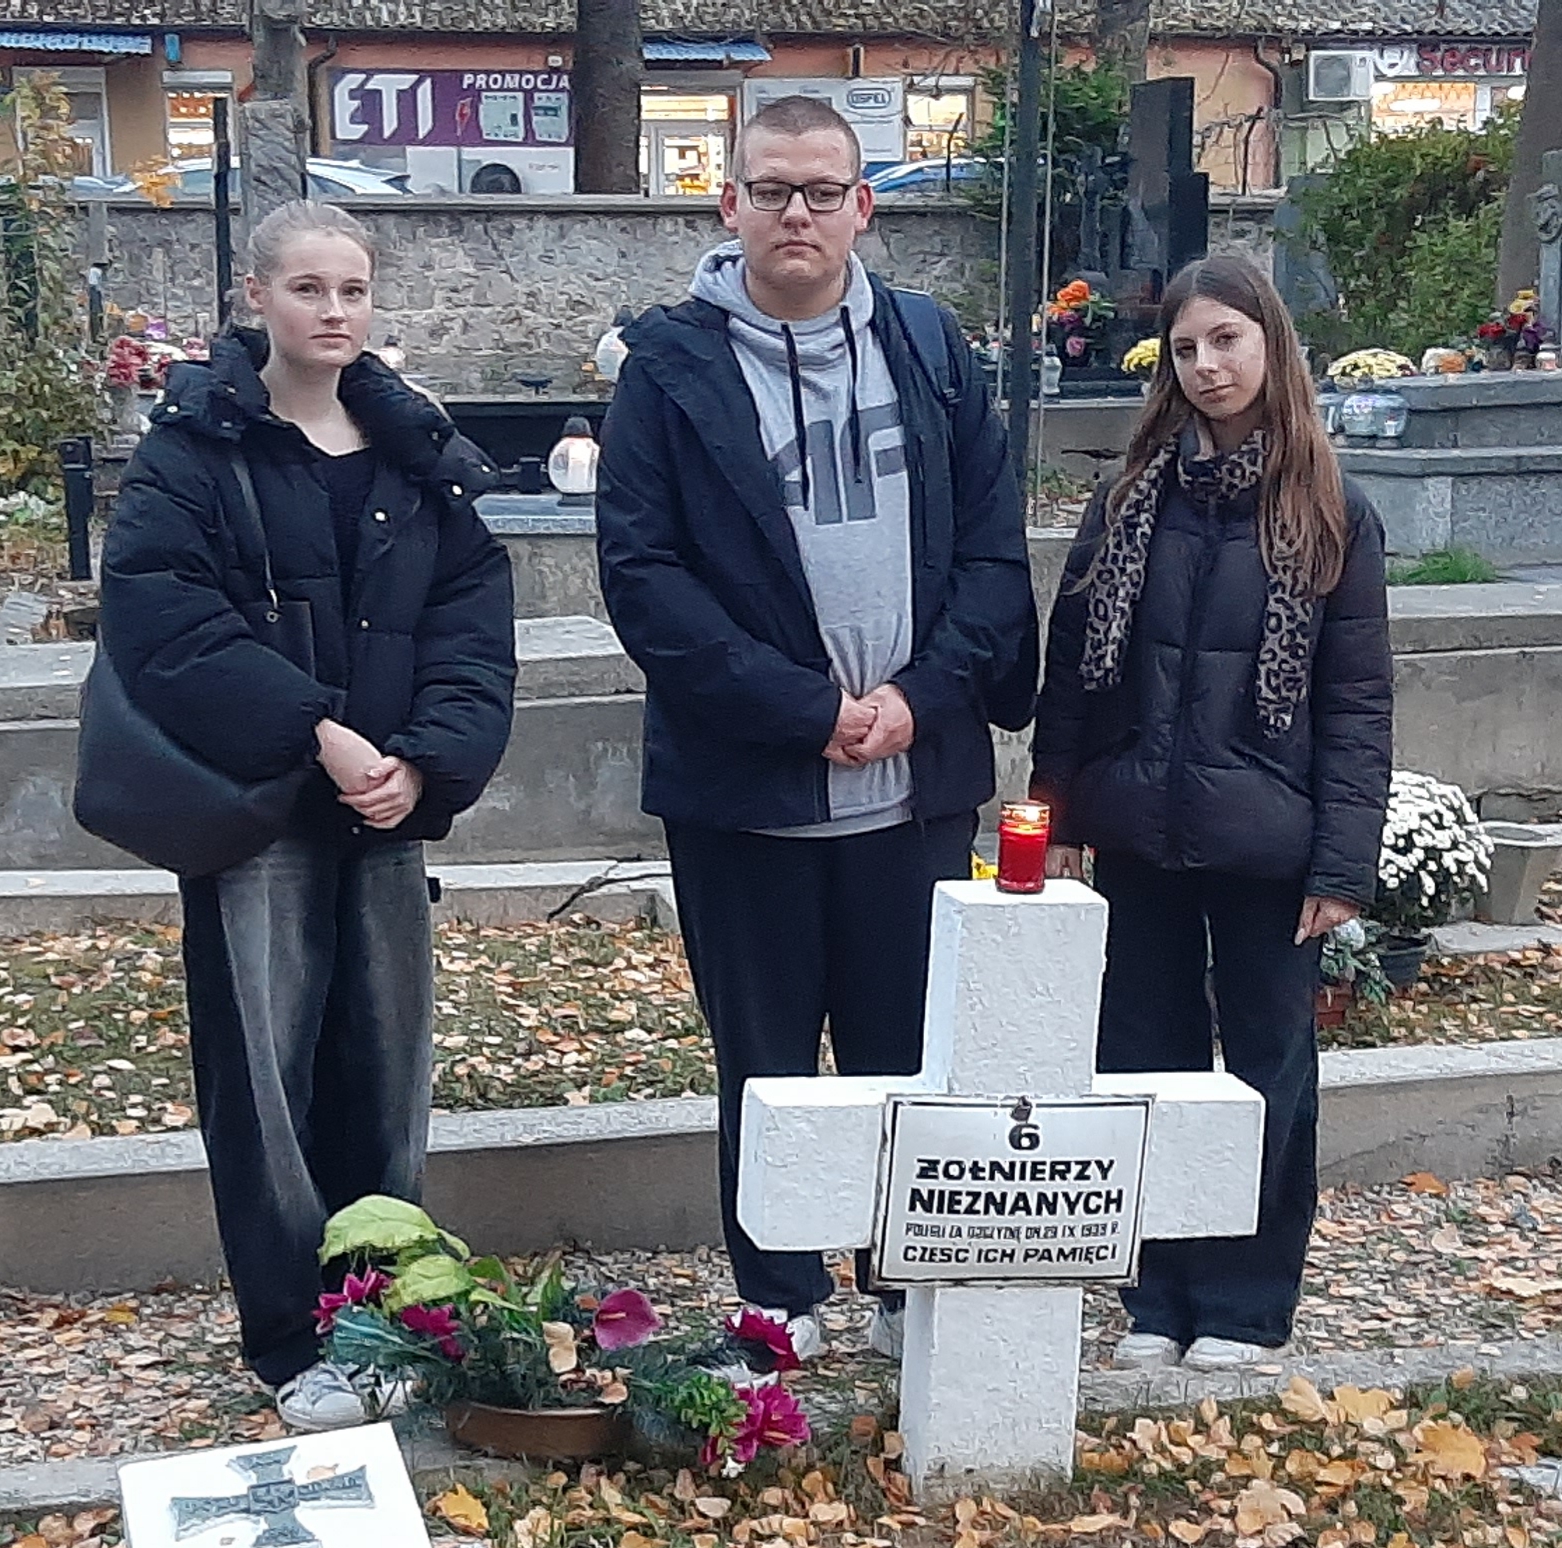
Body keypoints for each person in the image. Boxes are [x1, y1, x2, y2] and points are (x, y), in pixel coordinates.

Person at [596, 96, 1037, 1366]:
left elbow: (989, 552)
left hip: (911, 781)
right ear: (727, 203)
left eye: (822, 190)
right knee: (765, 1060)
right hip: (745, 789)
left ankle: (904, 1281)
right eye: (772, 189)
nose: (798, 212)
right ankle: (779, 1291)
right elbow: (645, 581)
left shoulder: (928, 347)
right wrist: (805, 711)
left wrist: (918, 698)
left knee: (905, 1048)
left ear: (862, 206)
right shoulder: (666, 371)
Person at [98, 201, 516, 1430]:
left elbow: (469, 622)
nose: (335, 312)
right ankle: (292, 1339)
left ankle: (384, 1315)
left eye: (354, 290)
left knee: (384, 1074)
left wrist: (426, 760)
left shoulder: (414, 452)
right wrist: (316, 733)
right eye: (309, 289)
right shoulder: (194, 452)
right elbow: (167, 625)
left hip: (383, 813)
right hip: (261, 817)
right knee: (266, 1082)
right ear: (256, 297)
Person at [1030, 254, 1392, 1374]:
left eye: (1226, 340)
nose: (1206, 366)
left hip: (1268, 845)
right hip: (1139, 829)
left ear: (1269, 345)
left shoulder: (1330, 510)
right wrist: (1053, 813)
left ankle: (1242, 1300)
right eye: (1185, 348)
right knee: (1145, 1059)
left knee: (1266, 1073)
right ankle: (1157, 1292)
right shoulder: (1129, 500)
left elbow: (1356, 700)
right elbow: (1073, 671)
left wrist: (1342, 863)